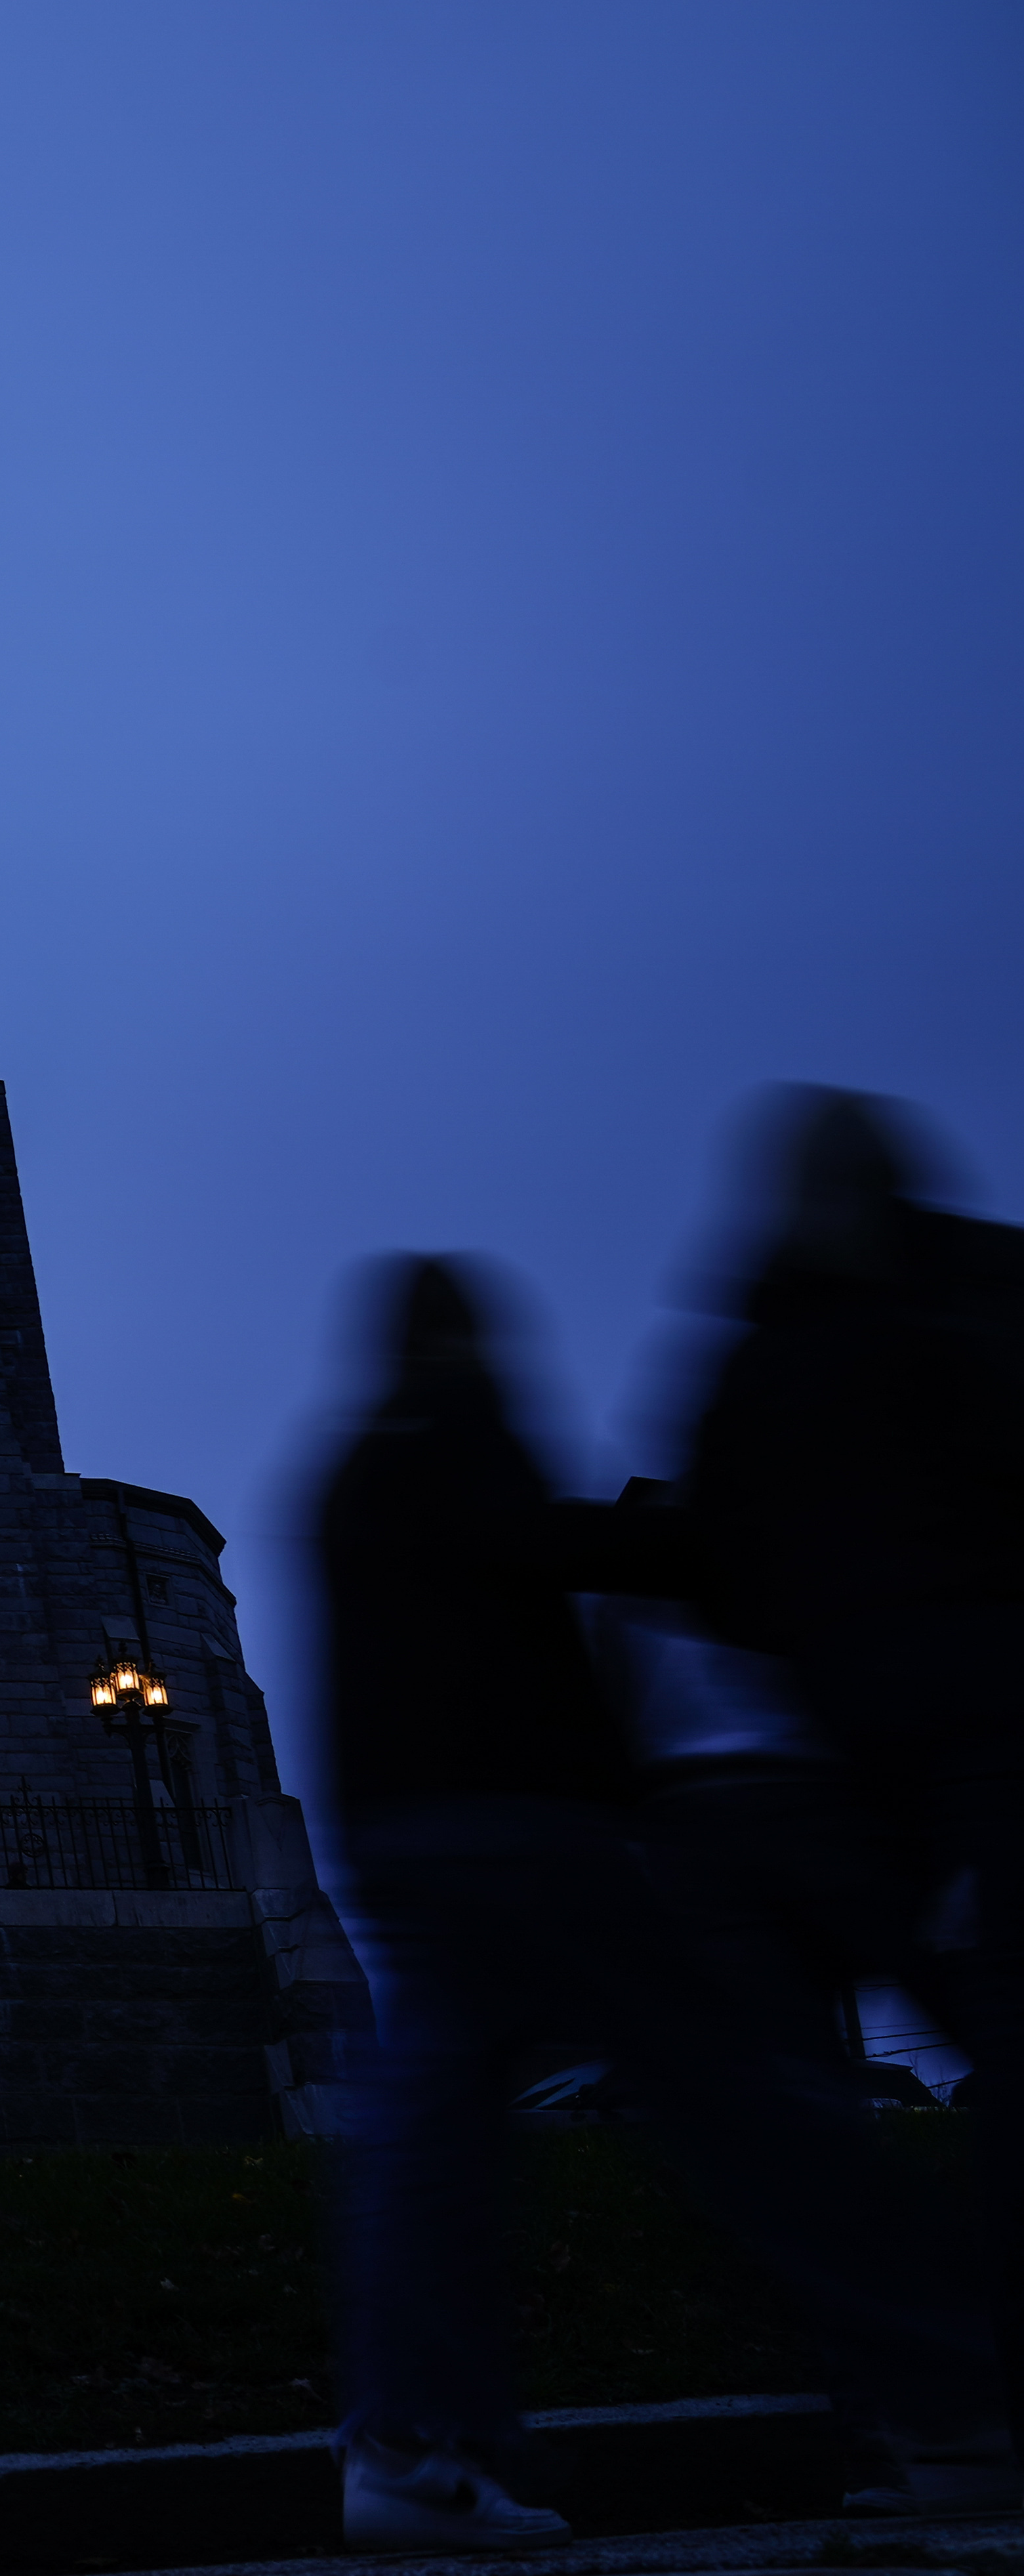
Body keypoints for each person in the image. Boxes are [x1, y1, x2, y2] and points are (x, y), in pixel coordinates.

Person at [316, 1256, 999, 2553]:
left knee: (433, 2157)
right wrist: (713, 1534)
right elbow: (540, 1546)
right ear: (462, 1342)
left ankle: (409, 2442)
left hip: (414, 1847)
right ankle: (946, 2407)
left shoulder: (355, 1469)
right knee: (750, 2115)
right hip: (528, 1835)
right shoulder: (452, 1432)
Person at [676, 1091, 1024, 2484]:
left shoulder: (779, 1349)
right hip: (915, 1759)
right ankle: (950, 2390)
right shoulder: (946, 1311)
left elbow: (724, 1568)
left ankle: (941, 2392)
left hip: (903, 1750)